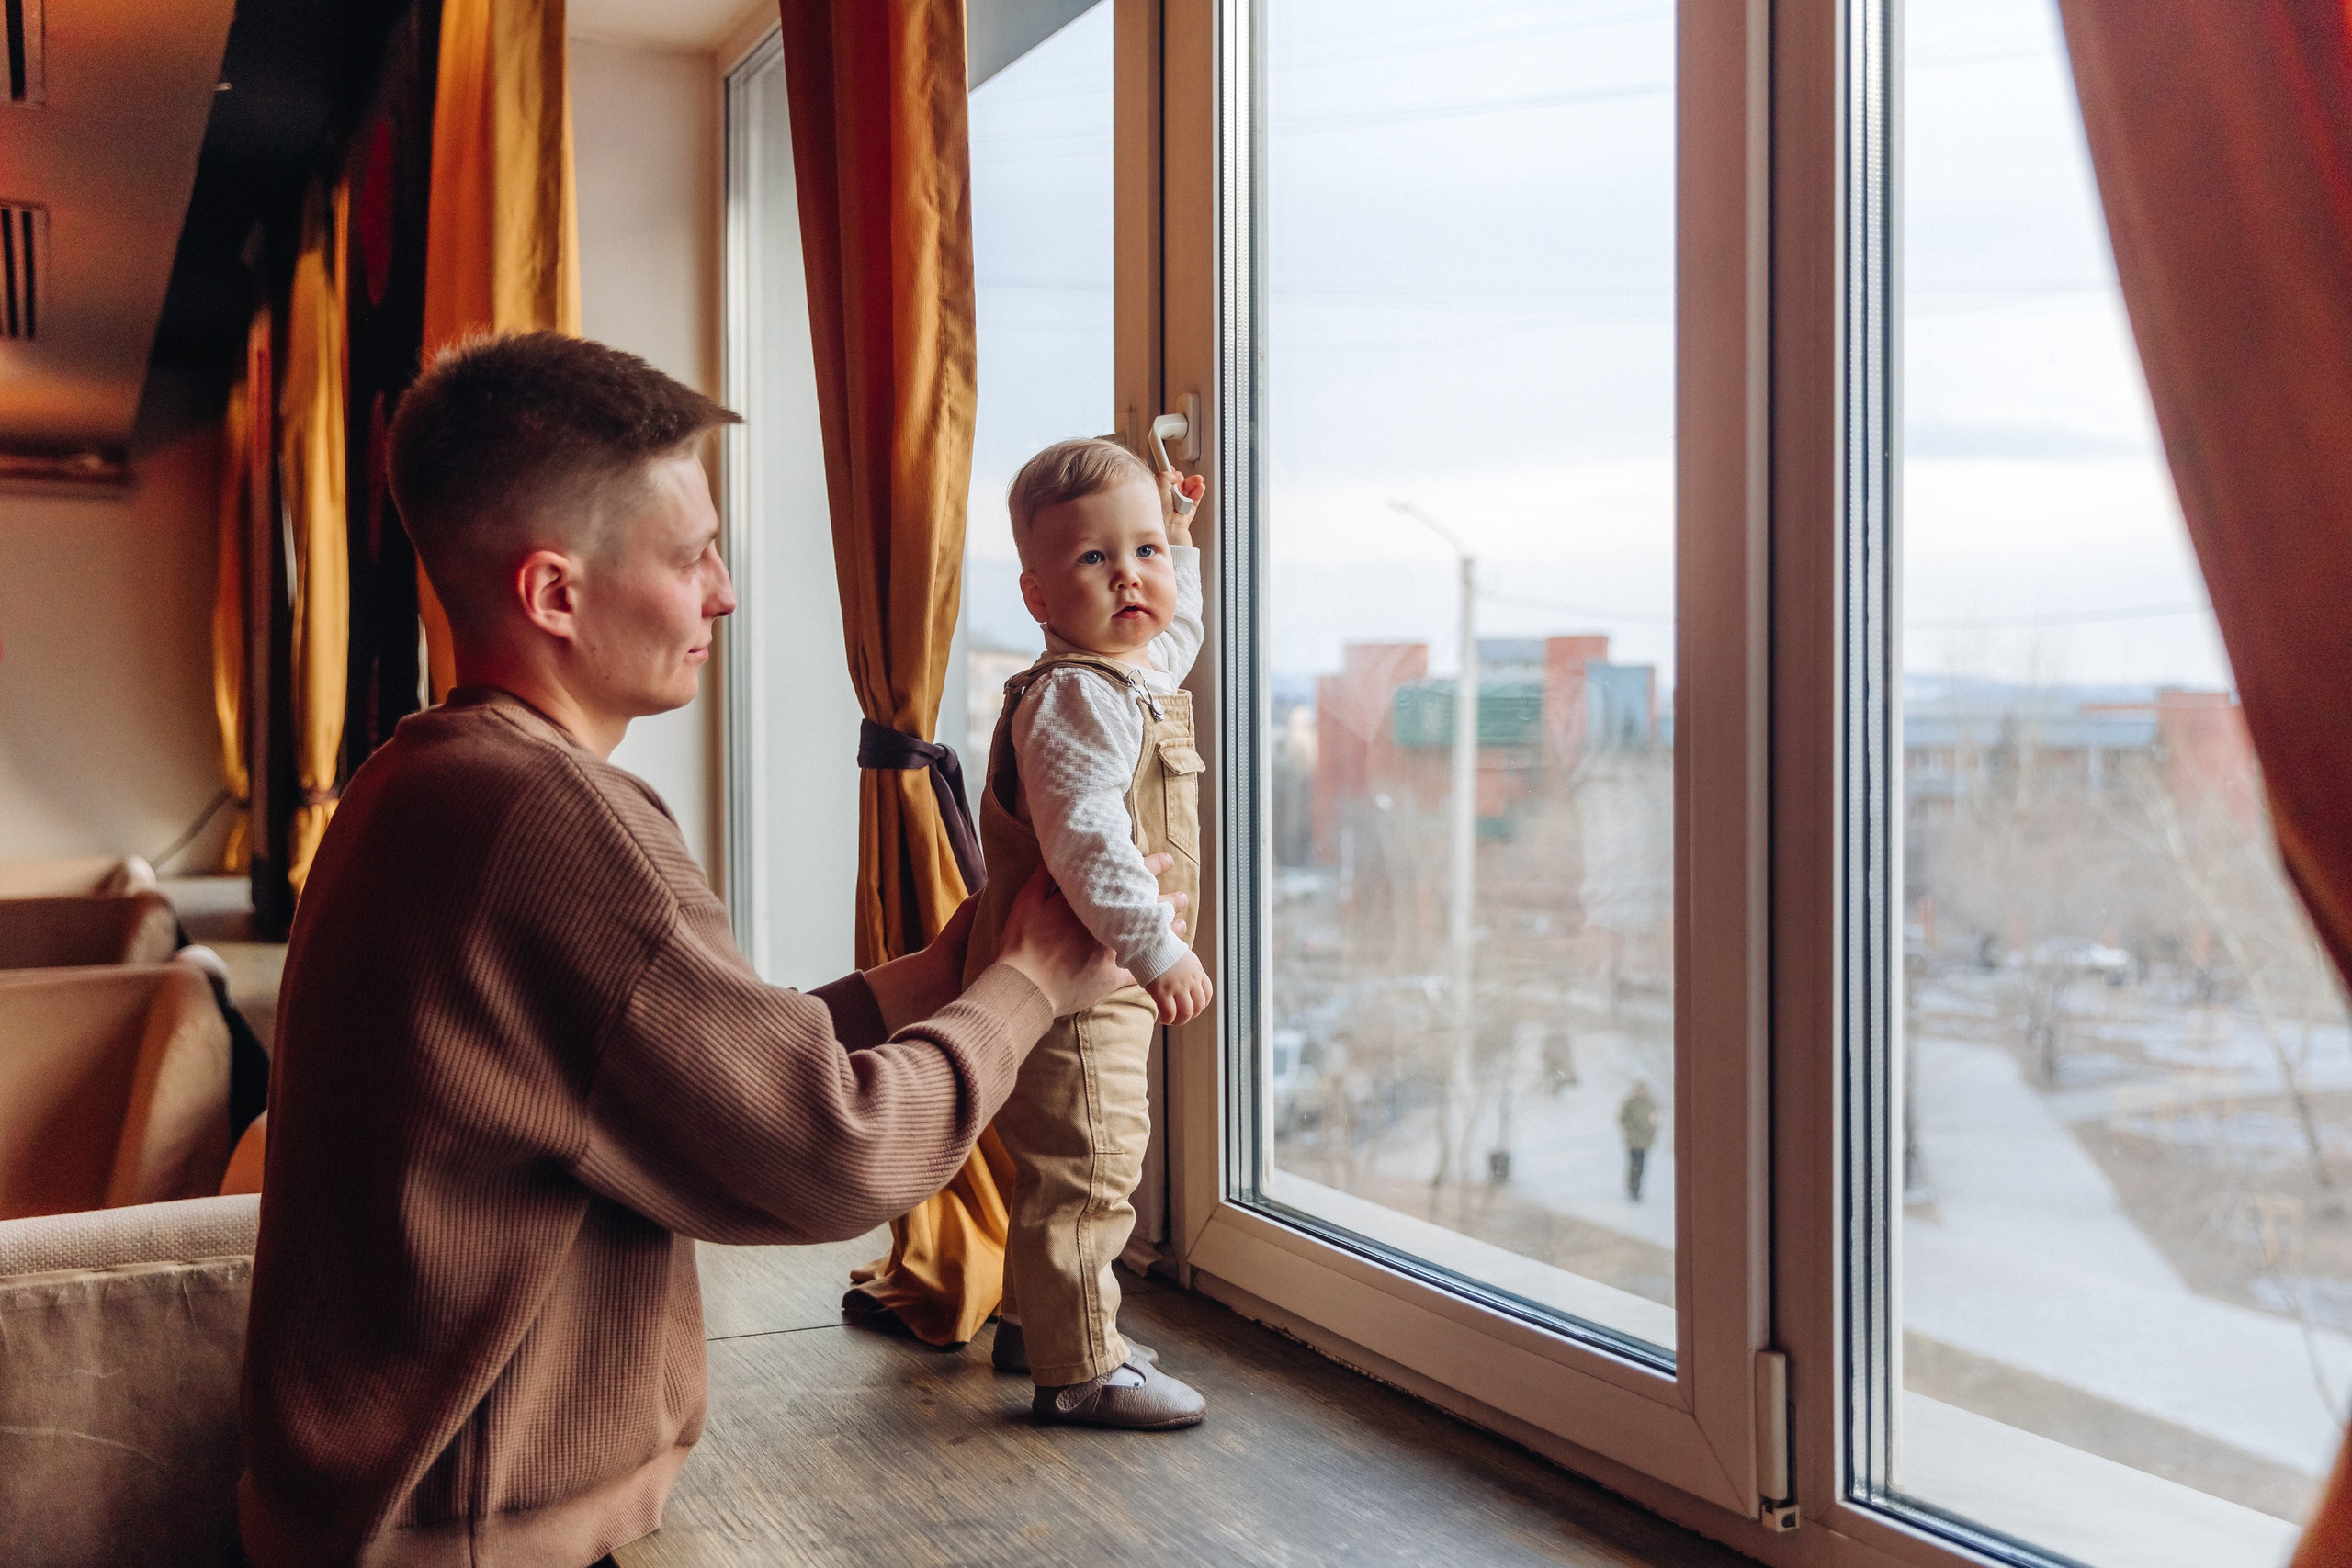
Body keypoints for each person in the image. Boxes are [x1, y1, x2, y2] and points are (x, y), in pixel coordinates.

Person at [236, 333, 1158, 1568]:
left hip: (373, 1511)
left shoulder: (425, 776)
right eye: (692, 557)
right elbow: (832, 1152)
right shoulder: (550, 819)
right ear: (554, 592)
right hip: (468, 1537)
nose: (723, 592)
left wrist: (941, 976)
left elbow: (678, 1047)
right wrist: (1033, 981)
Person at [956, 437, 1213, 1430]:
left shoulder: (1125, 672)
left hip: (1084, 979)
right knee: (1092, 1169)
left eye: (1142, 551)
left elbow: (1176, 628)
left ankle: (1037, 1326)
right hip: (1072, 987)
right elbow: (1090, 844)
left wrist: (1179, 542)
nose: (1132, 579)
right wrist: (1158, 949)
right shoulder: (1073, 698)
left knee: (1068, 1166)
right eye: (1094, 561)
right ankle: (1082, 1370)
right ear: (1036, 596)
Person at [1619, 1080, 1660, 1202]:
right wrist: (1630, 1129)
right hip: (1633, 1141)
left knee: (1642, 1167)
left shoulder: (1650, 1104)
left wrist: (1651, 1133)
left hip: (1645, 1141)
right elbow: (1622, 1118)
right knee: (1634, 1166)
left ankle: (1638, 1190)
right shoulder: (1630, 1103)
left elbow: (1655, 1121)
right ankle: (1632, 1191)